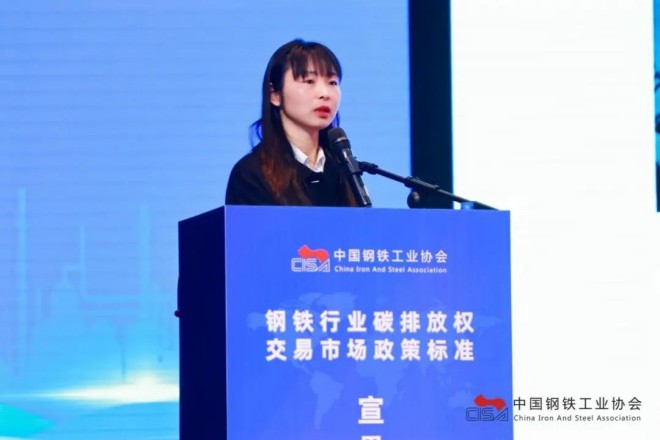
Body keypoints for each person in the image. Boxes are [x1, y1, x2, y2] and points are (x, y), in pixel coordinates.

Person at [225, 39, 358, 206]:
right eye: (309, 81)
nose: (325, 93)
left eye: (332, 83)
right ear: (275, 95)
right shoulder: (251, 174)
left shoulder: (344, 170)